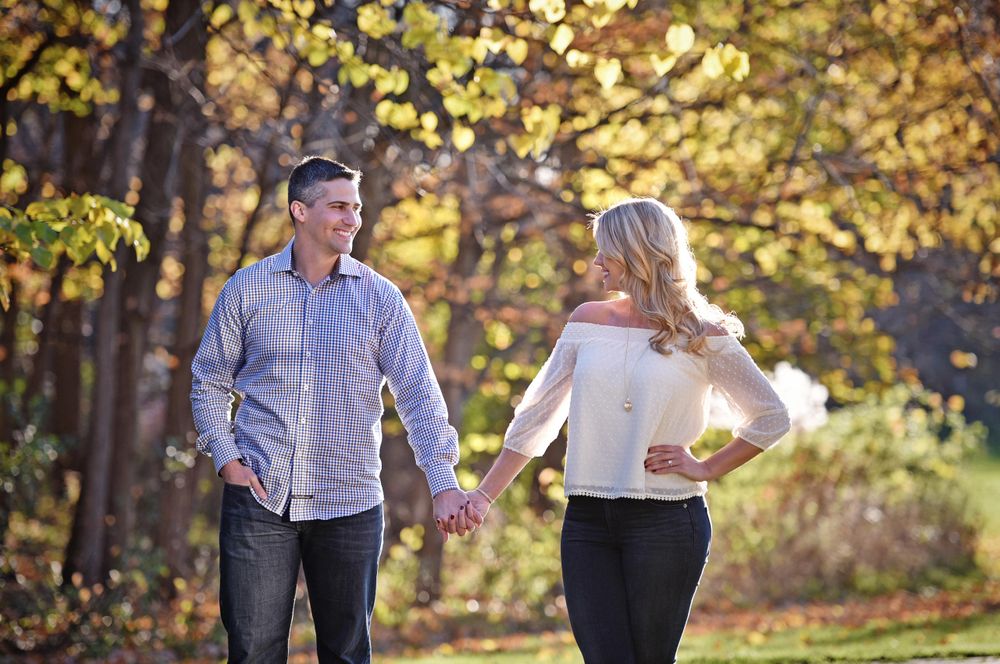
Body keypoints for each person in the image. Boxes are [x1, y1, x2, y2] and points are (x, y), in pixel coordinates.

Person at [448, 198, 791, 663]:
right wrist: (484, 497)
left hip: (667, 521)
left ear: (636, 251)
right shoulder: (587, 322)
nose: (596, 263)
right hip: (587, 522)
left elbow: (770, 416)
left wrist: (705, 466)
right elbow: (536, 416)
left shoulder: (700, 334)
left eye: (604, 250)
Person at [190, 156, 480, 664]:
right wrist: (227, 460)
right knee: (253, 651)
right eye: (339, 207)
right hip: (260, 498)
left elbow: (417, 394)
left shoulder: (380, 298)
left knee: (346, 654)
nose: (353, 219)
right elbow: (208, 381)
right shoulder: (247, 289)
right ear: (300, 210)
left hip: (349, 501)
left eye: (357, 207)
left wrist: (443, 481)